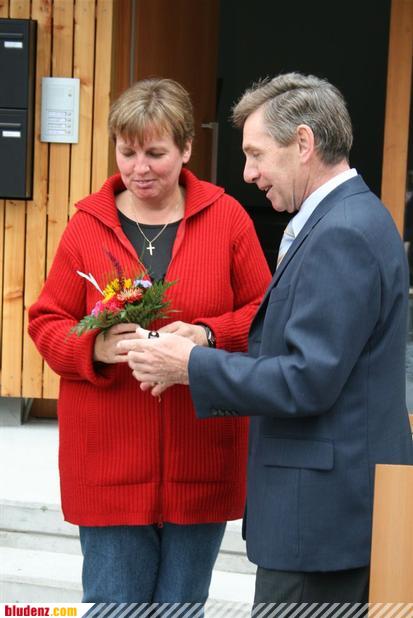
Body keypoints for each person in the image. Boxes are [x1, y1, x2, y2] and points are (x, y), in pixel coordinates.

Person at [119, 72, 413, 605]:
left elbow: (306, 380)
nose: (248, 173)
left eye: (256, 154)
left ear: (303, 143)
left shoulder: (342, 232)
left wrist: (190, 364)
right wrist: (208, 341)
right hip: (325, 513)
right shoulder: (347, 218)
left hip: (320, 520)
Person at [28, 77, 271, 607]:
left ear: (186, 149)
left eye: (155, 153)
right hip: (108, 466)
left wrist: (208, 334)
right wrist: (94, 349)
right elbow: (46, 321)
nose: (139, 168)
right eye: (127, 151)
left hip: (201, 460)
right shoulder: (87, 226)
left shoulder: (227, 219)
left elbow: (267, 313)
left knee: (183, 607)